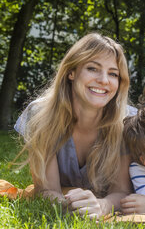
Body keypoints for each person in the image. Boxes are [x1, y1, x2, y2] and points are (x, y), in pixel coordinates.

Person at [14, 33, 132, 218]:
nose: (104, 80)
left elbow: (122, 191)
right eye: (93, 68)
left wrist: (101, 206)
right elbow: (46, 190)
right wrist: (74, 206)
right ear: (72, 72)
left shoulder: (127, 121)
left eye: (113, 73)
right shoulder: (39, 114)